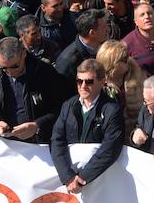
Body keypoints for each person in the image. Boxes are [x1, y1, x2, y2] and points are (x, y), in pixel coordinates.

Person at [50, 59, 124, 195]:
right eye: (79, 81)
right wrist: (67, 177)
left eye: (89, 82)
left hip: (99, 182)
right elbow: (57, 140)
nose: (83, 86)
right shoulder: (68, 105)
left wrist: (82, 178)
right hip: (70, 180)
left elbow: (110, 148)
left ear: (102, 82)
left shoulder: (112, 110)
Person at [0, 37, 63, 144]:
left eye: (14, 66)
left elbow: (61, 109)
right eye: (3, 68)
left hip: (37, 143)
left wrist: (37, 125)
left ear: (24, 54)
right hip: (4, 142)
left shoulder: (45, 72)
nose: (9, 72)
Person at [54, 8, 109, 99]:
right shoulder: (67, 62)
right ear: (92, 33)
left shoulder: (104, 46)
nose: (107, 29)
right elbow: (64, 94)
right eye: (103, 27)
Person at [96, 39, 146, 136]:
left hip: (137, 132)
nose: (127, 60)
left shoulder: (137, 75)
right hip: (111, 134)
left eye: (127, 56)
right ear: (111, 64)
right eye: (123, 60)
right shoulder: (97, 84)